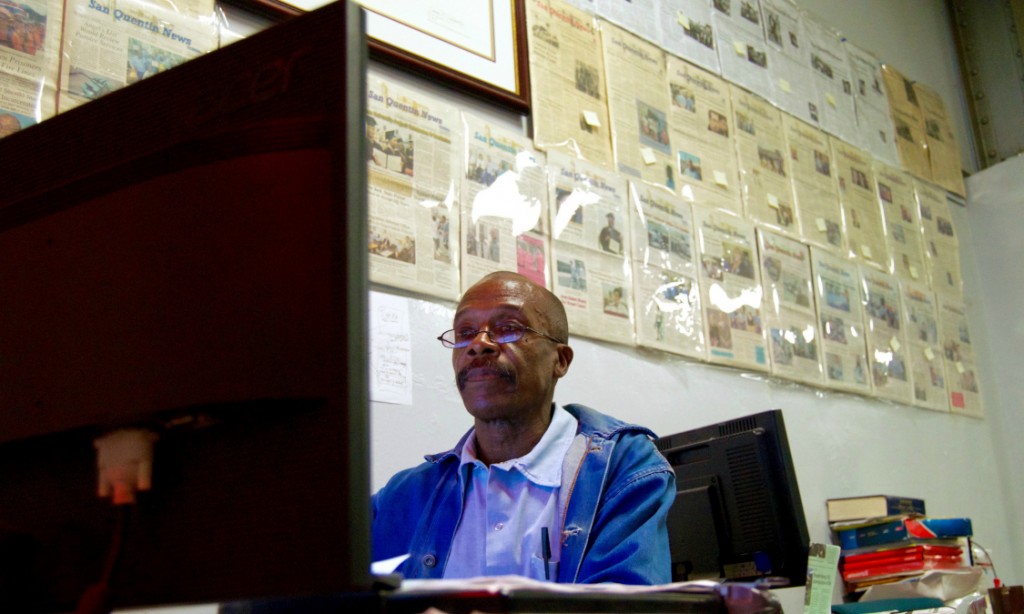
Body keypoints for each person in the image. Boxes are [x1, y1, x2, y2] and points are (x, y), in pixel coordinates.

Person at [371, 271, 675, 584]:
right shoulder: (405, 495)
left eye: (507, 329)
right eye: (465, 332)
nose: (479, 344)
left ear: (560, 361)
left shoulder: (623, 469)